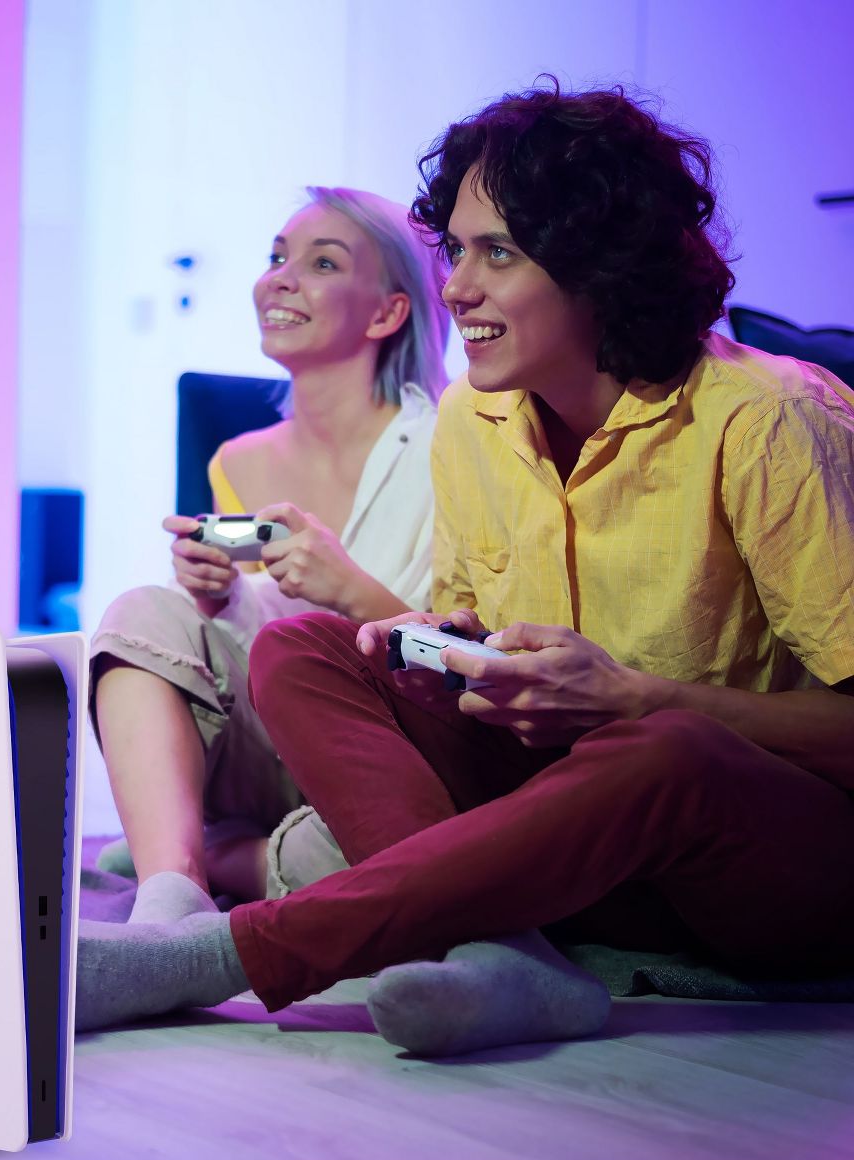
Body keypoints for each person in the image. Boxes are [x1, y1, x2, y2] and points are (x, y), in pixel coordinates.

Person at [74, 82, 854, 1056]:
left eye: (498, 253)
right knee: (304, 649)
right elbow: (461, 638)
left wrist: (635, 697)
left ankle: (213, 957)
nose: (456, 288)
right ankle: (498, 952)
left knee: (666, 748)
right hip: (571, 849)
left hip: (751, 867)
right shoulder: (474, 417)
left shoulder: (770, 418)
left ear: (601, 264)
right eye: (456, 250)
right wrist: (439, 654)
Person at [89, 186, 450, 922]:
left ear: (387, 313)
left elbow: (459, 661)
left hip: (390, 751)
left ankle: (217, 854)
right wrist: (215, 597)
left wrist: (348, 589)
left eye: (322, 263)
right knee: (142, 610)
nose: (280, 279)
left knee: (424, 852)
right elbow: (254, 639)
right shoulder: (239, 460)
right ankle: (172, 896)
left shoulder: (451, 449)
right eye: (277, 257)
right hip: (270, 743)